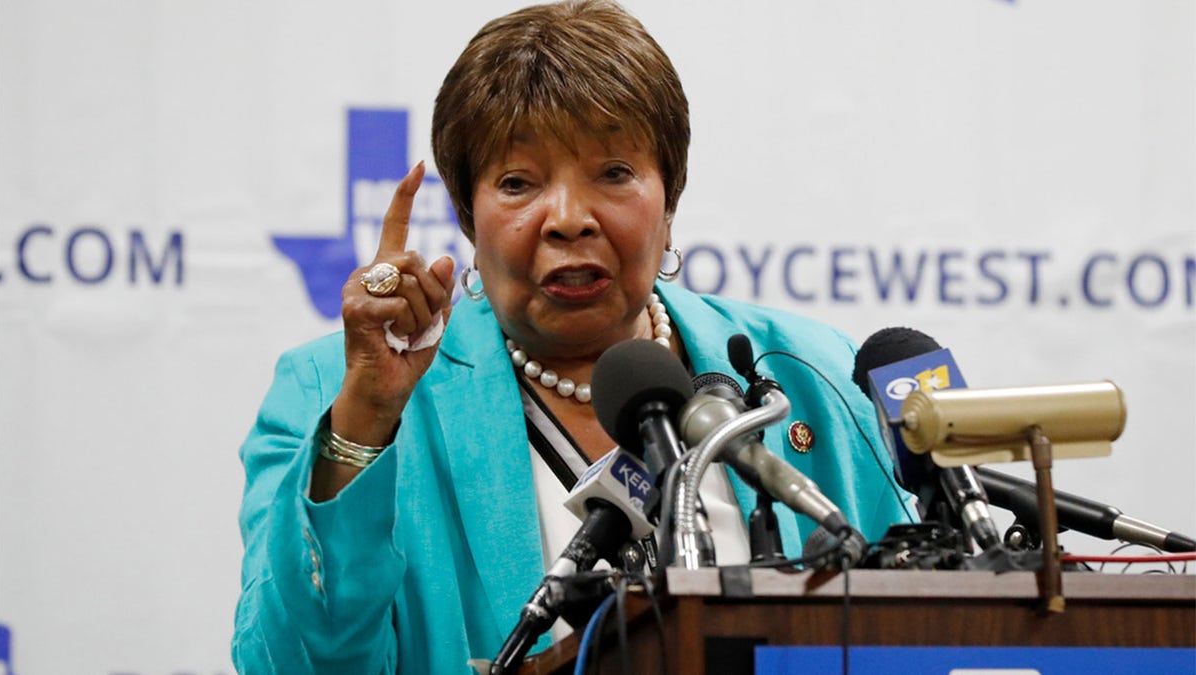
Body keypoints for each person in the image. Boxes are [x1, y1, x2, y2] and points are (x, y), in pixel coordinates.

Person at [232, 1, 914, 672]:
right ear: (471, 218)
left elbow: (919, 627)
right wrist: (368, 418)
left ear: (669, 198)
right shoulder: (334, 395)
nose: (567, 217)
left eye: (613, 172)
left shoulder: (807, 373)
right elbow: (289, 662)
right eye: (519, 181)